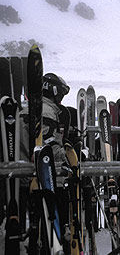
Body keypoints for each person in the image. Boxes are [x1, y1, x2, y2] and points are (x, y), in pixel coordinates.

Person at [19, 72, 71, 248]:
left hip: (23, 178)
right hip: (44, 179)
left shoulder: (26, 108)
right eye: (61, 94)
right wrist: (67, 161)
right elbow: (50, 148)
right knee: (50, 228)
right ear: (54, 91)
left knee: (34, 230)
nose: (61, 99)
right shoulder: (46, 111)